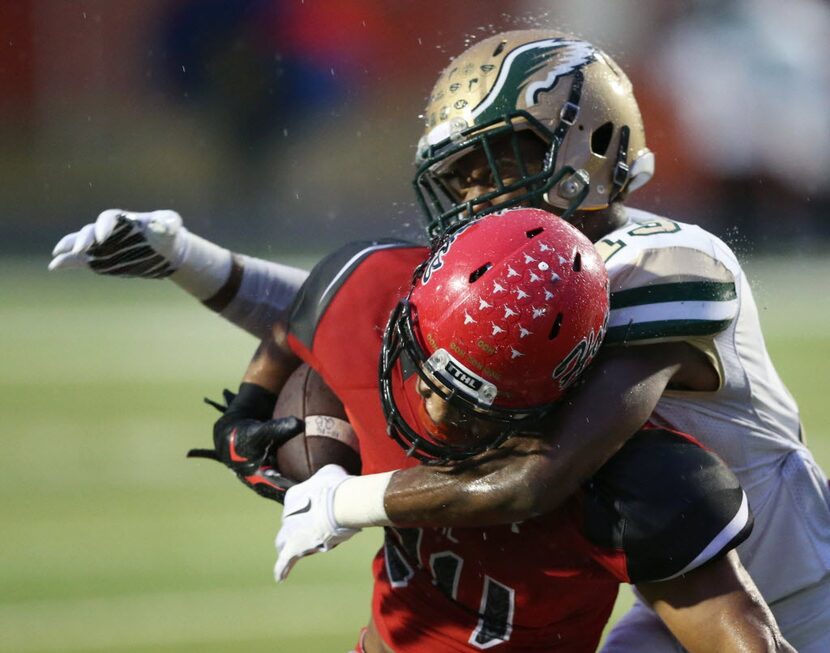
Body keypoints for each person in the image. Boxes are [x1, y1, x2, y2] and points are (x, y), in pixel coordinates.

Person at [49, 29, 830, 652]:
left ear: (581, 151)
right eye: (462, 175)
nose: (473, 195)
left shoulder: (670, 263)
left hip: (803, 595)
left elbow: (542, 473)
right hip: (679, 591)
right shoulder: (532, 263)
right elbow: (361, 315)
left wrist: (346, 499)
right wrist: (192, 260)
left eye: (494, 164)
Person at [268, 206, 782, 652]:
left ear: (546, 395)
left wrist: (339, 503)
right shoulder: (368, 299)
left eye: (472, 403)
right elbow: (287, 326)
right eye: (426, 369)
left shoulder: (633, 483)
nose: (435, 409)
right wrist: (253, 419)